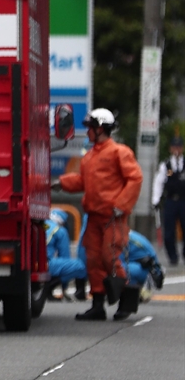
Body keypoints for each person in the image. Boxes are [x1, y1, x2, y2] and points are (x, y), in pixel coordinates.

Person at [56, 108, 142, 321]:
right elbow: (83, 181)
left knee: (109, 257)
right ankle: (97, 305)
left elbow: (135, 178)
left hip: (113, 217)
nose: (87, 133)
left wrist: (121, 204)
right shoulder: (90, 157)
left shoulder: (119, 152)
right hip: (93, 217)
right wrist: (61, 183)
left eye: (90, 129)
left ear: (100, 128)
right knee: (93, 260)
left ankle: (126, 301)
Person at [152, 134, 184, 267]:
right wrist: (156, 199)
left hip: (183, 201)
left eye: (179, 147)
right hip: (170, 201)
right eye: (174, 147)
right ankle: (173, 256)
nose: (176, 149)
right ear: (171, 149)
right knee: (169, 231)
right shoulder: (166, 165)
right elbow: (159, 182)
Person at [44, 209, 87, 301]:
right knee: (79, 266)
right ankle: (48, 288)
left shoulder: (39, 223)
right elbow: (64, 255)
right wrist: (64, 287)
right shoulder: (59, 230)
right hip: (44, 264)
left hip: (27, 263)